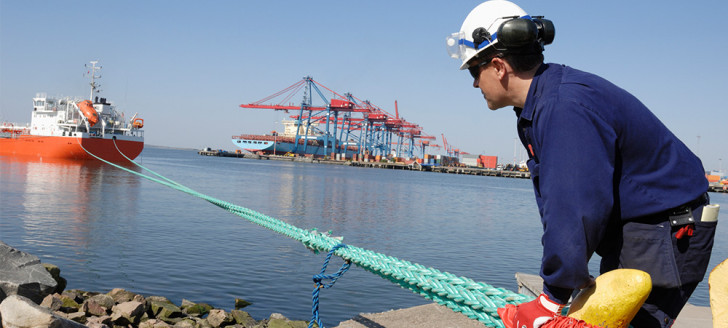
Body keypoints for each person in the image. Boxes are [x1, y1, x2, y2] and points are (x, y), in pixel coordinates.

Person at [446, 1, 717, 327]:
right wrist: (562, 282)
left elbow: (573, 206)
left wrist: (551, 298)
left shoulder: (563, 106)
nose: (475, 83)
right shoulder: (548, 99)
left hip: (665, 232)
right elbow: (566, 205)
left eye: (474, 70)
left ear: (499, 66)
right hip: (642, 230)